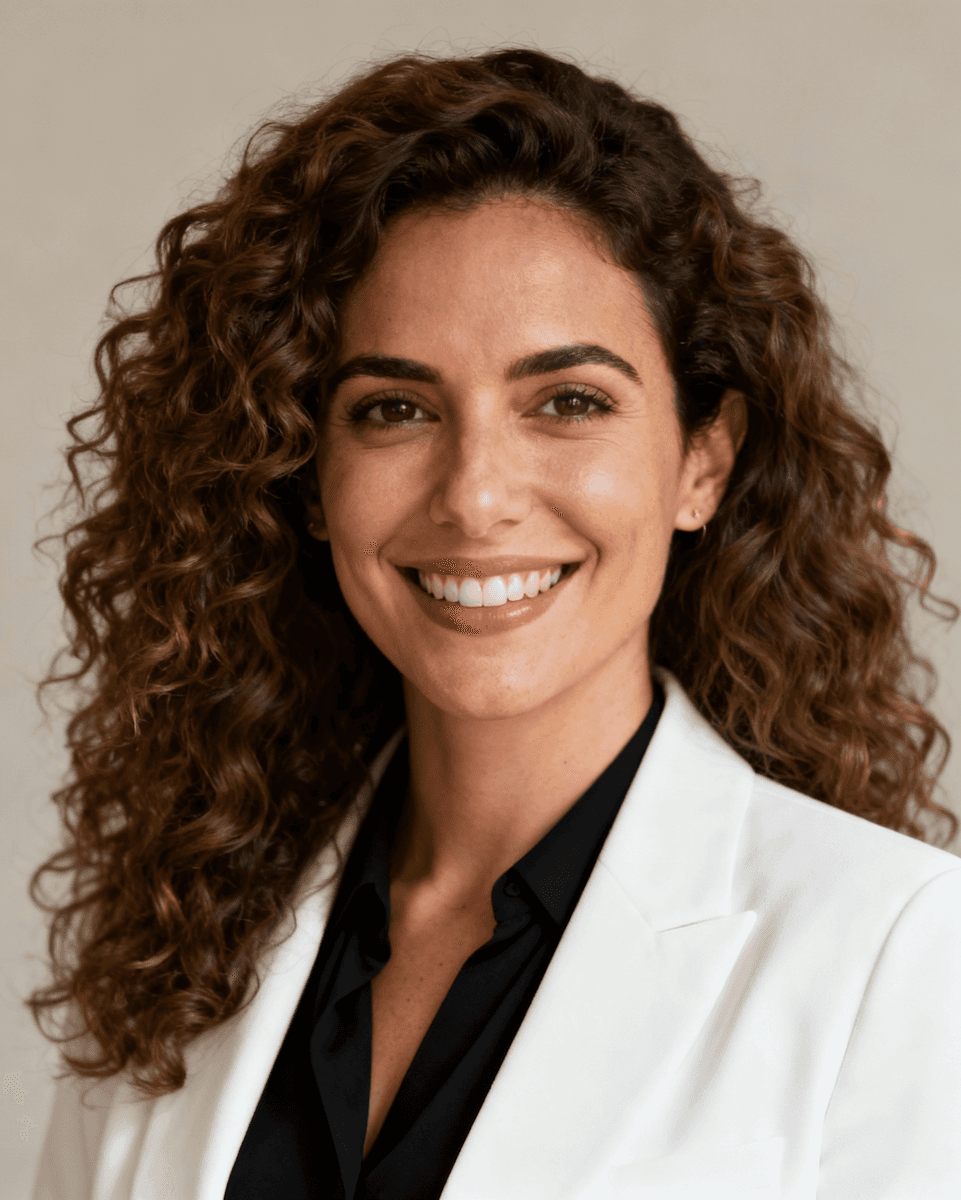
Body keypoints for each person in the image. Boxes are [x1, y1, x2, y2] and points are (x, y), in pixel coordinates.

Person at [29, 47, 961, 1200]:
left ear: (702, 463)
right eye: (395, 409)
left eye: (568, 402)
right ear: (306, 472)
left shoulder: (903, 956)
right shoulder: (183, 955)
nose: (474, 495)